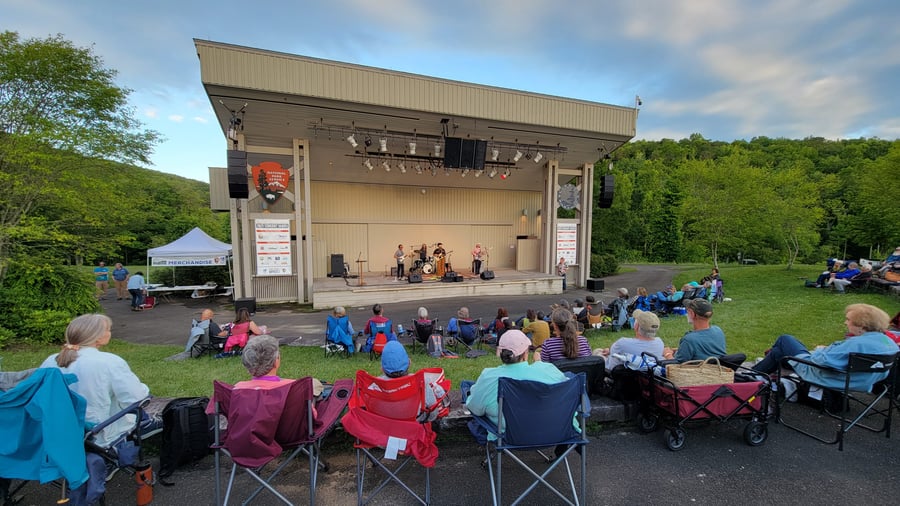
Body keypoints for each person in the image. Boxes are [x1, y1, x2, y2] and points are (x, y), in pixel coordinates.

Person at [40, 314, 150, 448]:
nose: (110, 333)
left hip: (58, 428)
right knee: (141, 412)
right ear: (98, 337)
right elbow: (135, 398)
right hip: (98, 433)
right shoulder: (109, 361)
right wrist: (144, 388)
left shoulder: (51, 360)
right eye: (108, 329)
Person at [751, 304, 897, 392]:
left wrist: (821, 349)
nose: (845, 323)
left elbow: (819, 361)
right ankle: (754, 377)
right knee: (777, 353)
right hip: (862, 383)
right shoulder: (889, 344)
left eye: (848, 320)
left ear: (862, 325)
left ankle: (750, 378)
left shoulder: (856, 344)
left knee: (785, 340)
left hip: (825, 376)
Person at [465, 330, 568, 431]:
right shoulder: (548, 370)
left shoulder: (489, 377)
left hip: (511, 436)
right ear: (525, 353)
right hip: (556, 431)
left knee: (466, 385)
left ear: (501, 353)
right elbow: (569, 392)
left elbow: (475, 408)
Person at [235, 335, 323, 417]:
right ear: (276, 362)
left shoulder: (238, 389)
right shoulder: (296, 388)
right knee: (314, 385)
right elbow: (312, 416)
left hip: (250, 432)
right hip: (290, 432)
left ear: (247, 366)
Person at [377, 340, 448, 421]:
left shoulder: (374, 386)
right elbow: (433, 414)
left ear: (382, 368)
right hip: (414, 426)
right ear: (409, 363)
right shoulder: (421, 383)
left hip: (384, 427)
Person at [596, 309, 665, 370]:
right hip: (646, 377)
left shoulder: (623, 343)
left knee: (598, 352)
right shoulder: (659, 343)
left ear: (636, 326)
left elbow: (611, 363)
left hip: (617, 378)